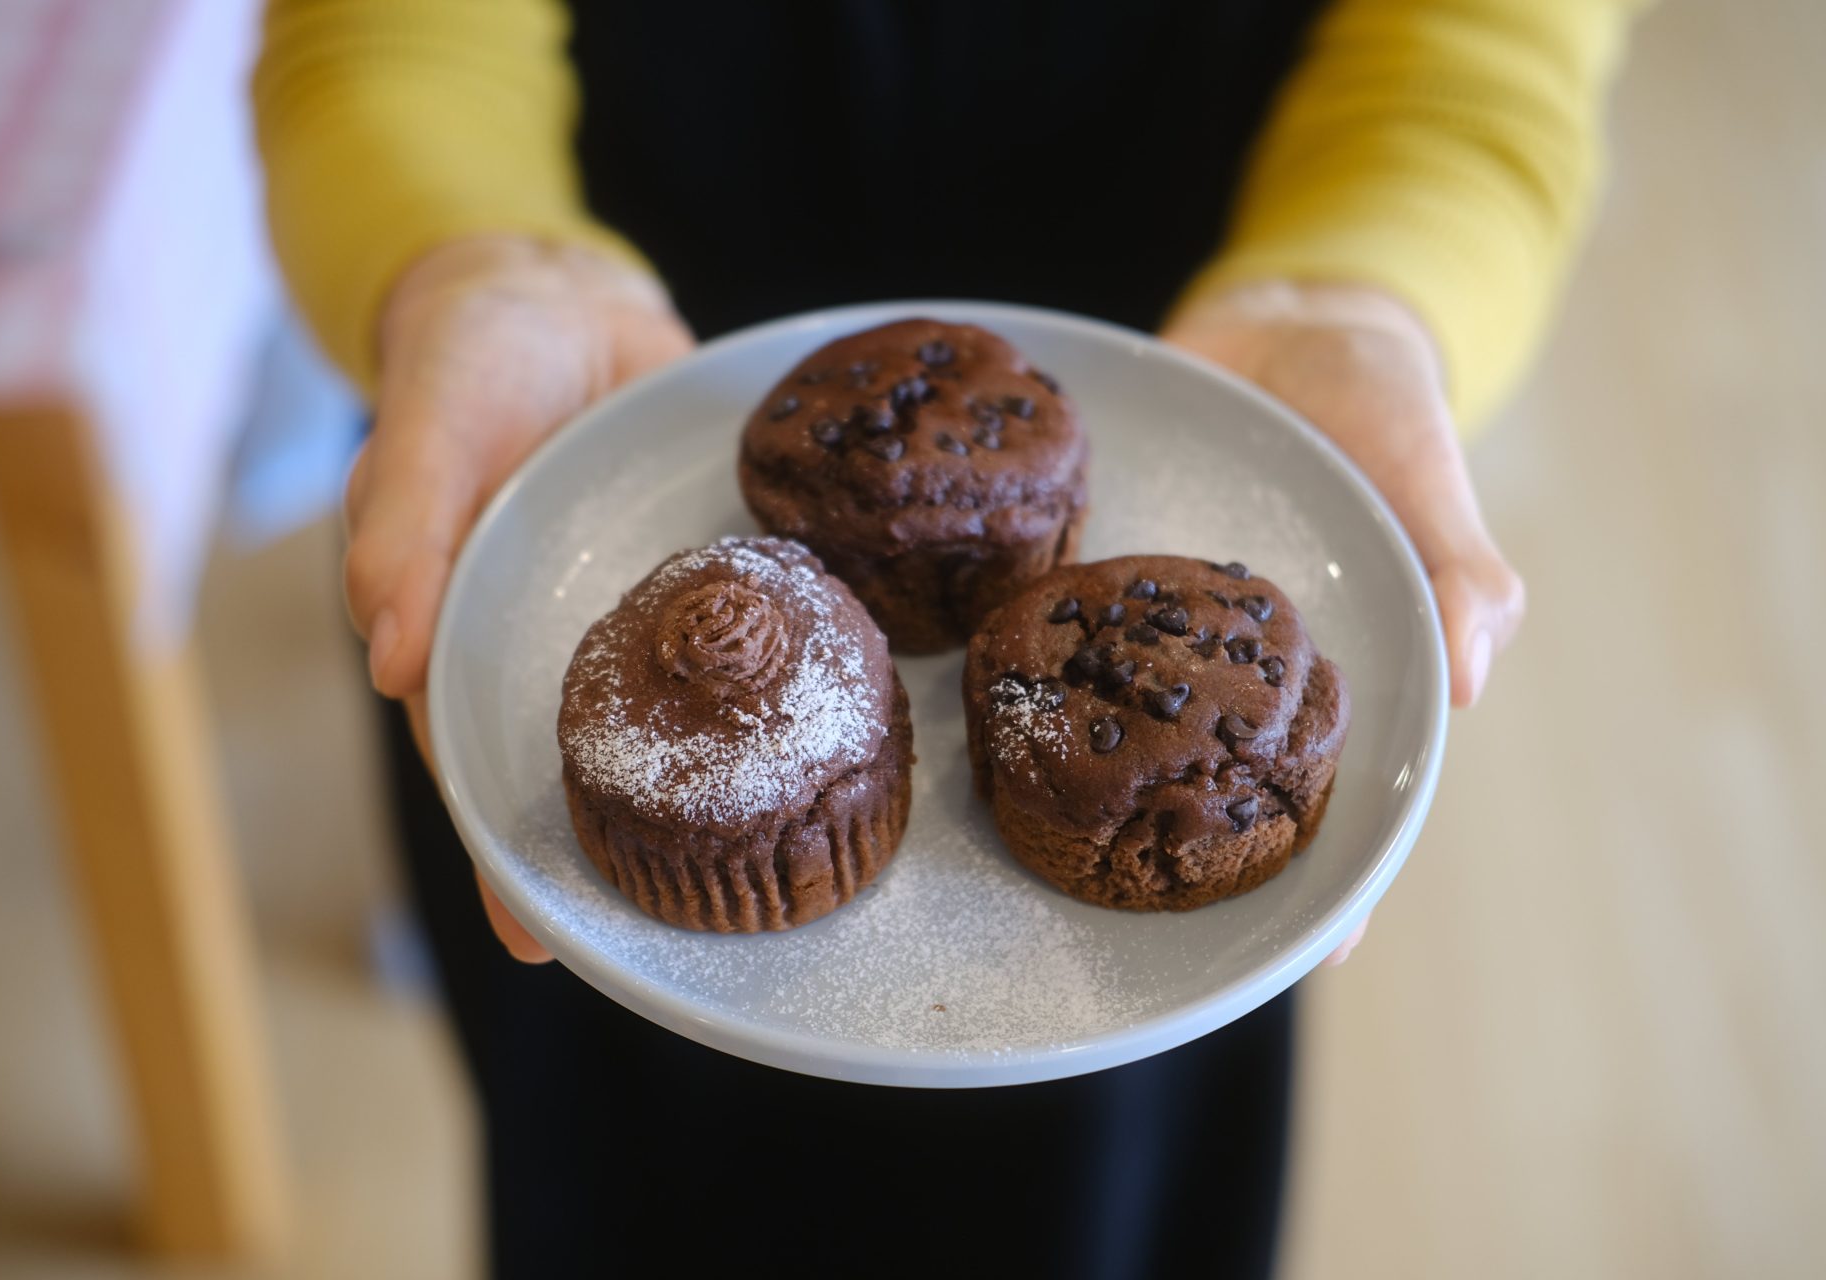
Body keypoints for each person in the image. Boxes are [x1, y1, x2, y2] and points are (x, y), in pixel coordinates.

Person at [254, 2, 1640, 1275]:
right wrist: (471, 258)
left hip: (1192, 270)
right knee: (620, 1155)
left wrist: (1371, 281)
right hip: (598, 363)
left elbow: (1485, 46)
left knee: (1094, 1192)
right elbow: (384, 33)